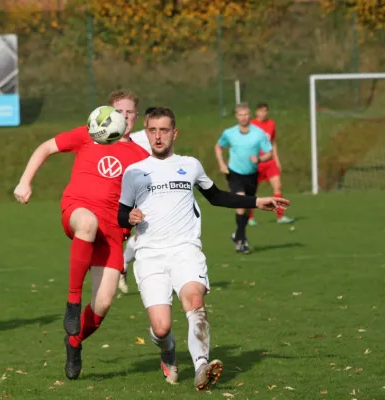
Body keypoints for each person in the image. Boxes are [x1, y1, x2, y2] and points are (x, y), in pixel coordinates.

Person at [118, 107, 290, 390]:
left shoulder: (190, 165)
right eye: (152, 130)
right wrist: (129, 217)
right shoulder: (135, 171)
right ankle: (168, 350)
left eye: (164, 130)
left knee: (194, 301)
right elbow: (121, 214)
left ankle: (201, 367)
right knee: (161, 328)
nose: (158, 136)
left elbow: (217, 197)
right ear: (146, 133)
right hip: (149, 254)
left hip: (185, 248)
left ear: (174, 133)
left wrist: (256, 201)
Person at [13, 89, 149, 380]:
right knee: (87, 223)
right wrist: (25, 182)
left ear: (136, 118)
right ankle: (72, 303)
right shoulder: (89, 134)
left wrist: (137, 217)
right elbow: (45, 148)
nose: (124, 117)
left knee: (103, 304)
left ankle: (74, 342)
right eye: (119, 111)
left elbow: (147, 197)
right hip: (78, 210)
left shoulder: (141, 157)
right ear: (107, 112)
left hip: (113, 231)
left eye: (130, 113)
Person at [214, 103, 273, 254]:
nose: (243, 118)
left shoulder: (258, 133)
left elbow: (269, 153)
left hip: (252, 175)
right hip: (234, 173)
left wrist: (259, 159)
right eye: (240, 115)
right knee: (240, 203)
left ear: (250, 115)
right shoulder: (229, 133)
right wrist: (221, 164)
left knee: (247, 208)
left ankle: (238, 235)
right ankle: (242, 241)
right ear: (236, 116)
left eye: (246, 114)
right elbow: (218, 146)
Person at [118, 106, 157, 294]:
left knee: (145, 233)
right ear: (145, 121)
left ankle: (124, 266)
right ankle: (121, 265)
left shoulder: (160, 138)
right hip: (127, 192)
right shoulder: (137, 139)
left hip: (149, 193)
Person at [249, 102, 295, 226]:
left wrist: (277, 160)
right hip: (256, 163)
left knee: (278, 186)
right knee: (251, 190)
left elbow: (272, 143)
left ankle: (280, 217)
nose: (262, 113)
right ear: (256, 112)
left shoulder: (271, 124)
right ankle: (250, 218)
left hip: (270, 162)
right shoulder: (251, 125)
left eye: (265, 111)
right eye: (260, 111)